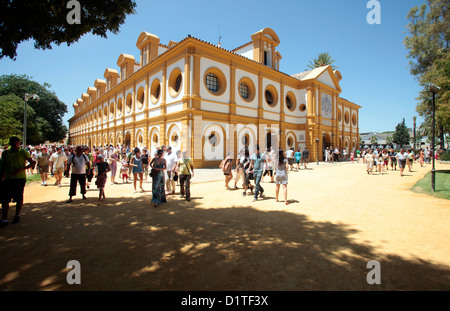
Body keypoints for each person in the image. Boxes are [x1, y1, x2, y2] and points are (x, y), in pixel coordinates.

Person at [1, 137, 36, 227]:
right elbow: (4, 166)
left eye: (17, 143)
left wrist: (22, 169)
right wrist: (1, 176)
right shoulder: (5, 153)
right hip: (8, 178)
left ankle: (17, 214)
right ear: (10, 143)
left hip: (20, 178)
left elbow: (32, 163)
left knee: (18, 197)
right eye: (14, 143)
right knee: (5, 199)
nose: (15, 144)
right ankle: (4, 219)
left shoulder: (23, 152)